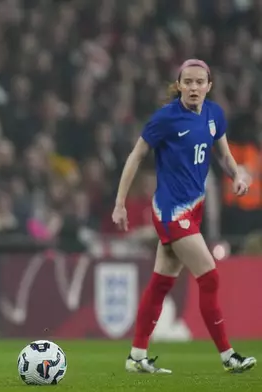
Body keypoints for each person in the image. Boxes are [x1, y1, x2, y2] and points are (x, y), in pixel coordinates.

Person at [112, 59, 257, 374]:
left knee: (161, 282)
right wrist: (120, 202)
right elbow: (136, 155)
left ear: (209, 86)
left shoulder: (213, 114)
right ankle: (227, 356)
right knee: (210, 275)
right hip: (171, 210)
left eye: (199, 82)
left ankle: (136, 356)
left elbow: (223, 153)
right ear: (179, 85)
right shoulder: (165, 119)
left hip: (194, 207)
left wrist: (238, 176)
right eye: (187, 82)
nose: (193, 87)